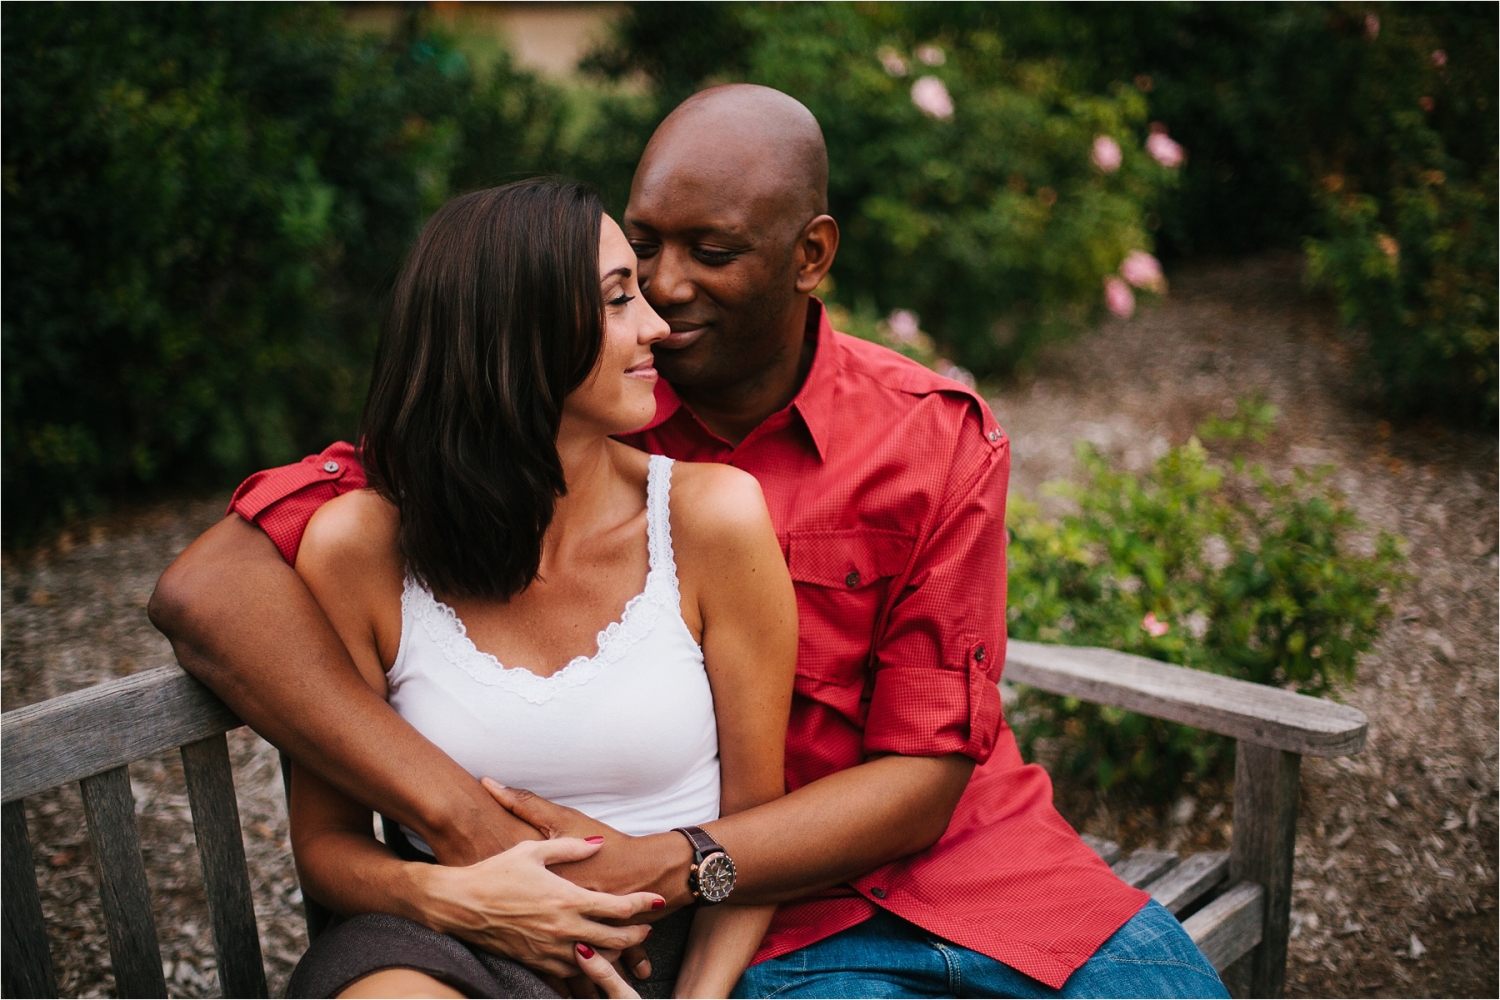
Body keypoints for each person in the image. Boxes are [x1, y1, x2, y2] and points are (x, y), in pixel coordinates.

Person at [151, 86, 1228, 999]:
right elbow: (214, 587)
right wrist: (463, 824)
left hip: (944, 870)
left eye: (709, 253)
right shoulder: (563, 410)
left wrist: (679, 862)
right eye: (643, 249)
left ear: (811, 256)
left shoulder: (927, 436)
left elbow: (925, 777)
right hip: (744, 933)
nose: (662, 293)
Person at [280, 179, 797, 999]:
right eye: (619, 299)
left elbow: (753, 833)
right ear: (515, 333)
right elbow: (328, 843)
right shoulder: (361, 548)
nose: (657, 325)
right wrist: (455, 899)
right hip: (438, 934)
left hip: (644, 954)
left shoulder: (710, 520)